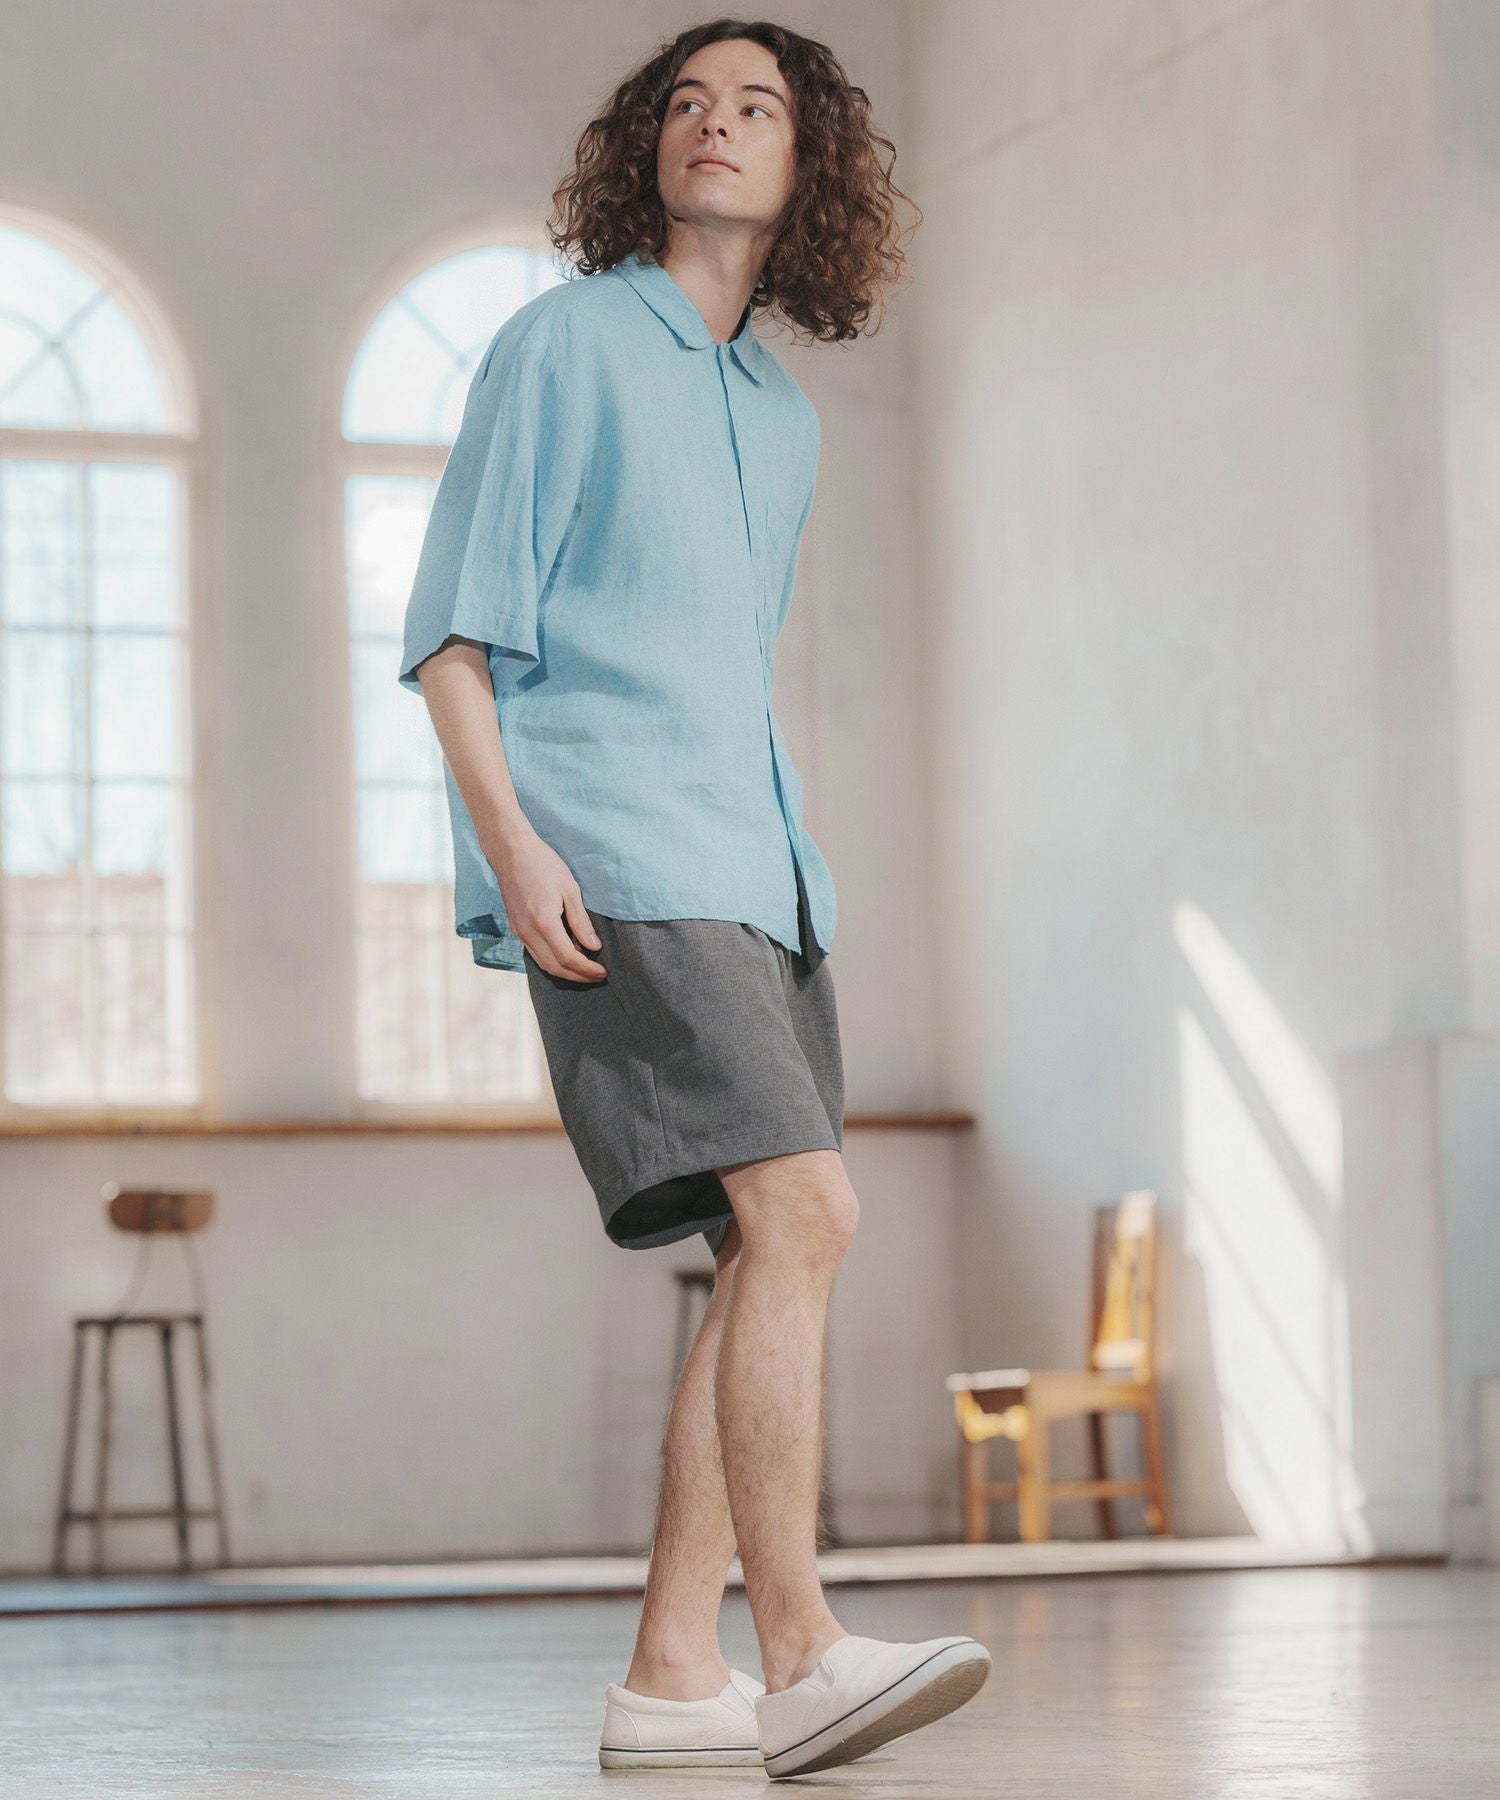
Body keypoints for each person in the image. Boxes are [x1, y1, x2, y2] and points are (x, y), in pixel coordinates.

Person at [399, 17, 990, 1780]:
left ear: (810, 169)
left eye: (756, 108)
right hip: (620, 852)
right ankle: (798, 1651)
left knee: (760, 1252)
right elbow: (451, 634)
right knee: (809, 1213)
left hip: (764, 873)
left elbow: (725, 665)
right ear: (644, 148)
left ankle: (672, 1675)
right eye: (686, 103)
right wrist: (514, 846)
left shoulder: (779, 418)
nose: (714, 125)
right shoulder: (565, 344)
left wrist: (797, 879)